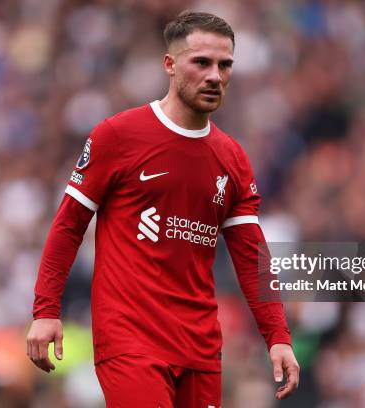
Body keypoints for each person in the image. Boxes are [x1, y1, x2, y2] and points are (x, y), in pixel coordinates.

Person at [26, 11, 299, 407]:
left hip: (200, 347)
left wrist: (278, 337)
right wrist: (46, 310)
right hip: (131, 340)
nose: (214, 76)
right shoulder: (118, 136)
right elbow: (69, 225)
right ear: (169, 65)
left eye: (225, 66)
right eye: (201, 62)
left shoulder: (232, 158)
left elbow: (251, 253)